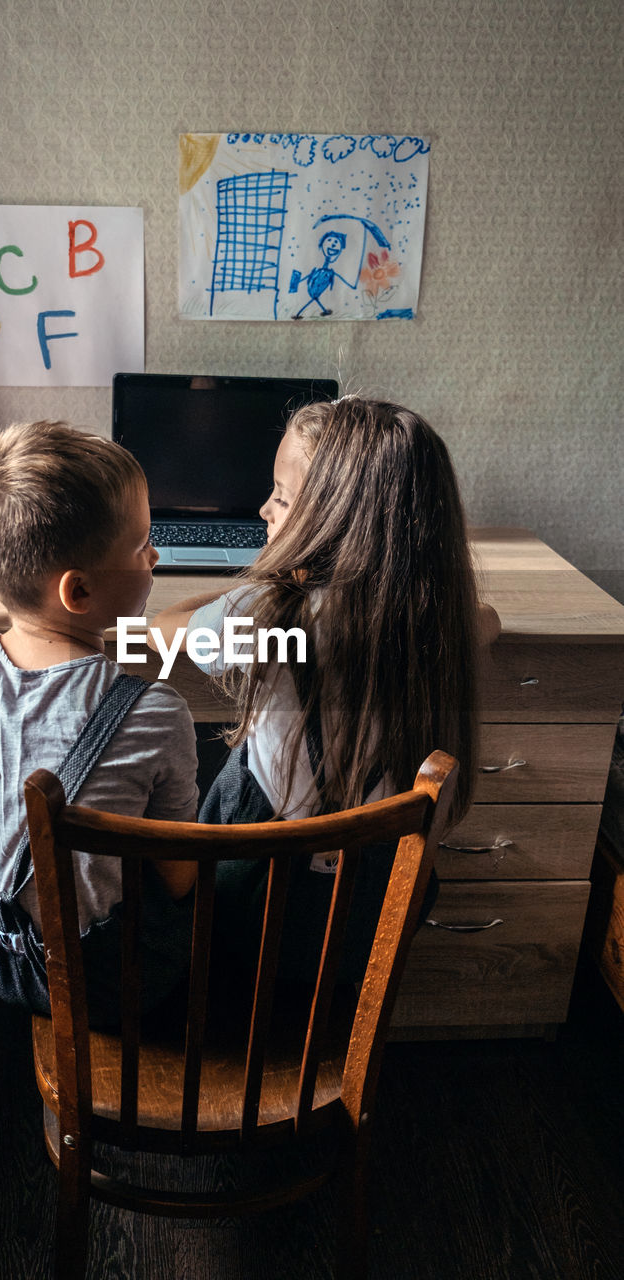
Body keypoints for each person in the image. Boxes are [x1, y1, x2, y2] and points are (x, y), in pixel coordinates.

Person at [150, 396, 500, 985]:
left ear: (334, 518)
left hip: (256, 902)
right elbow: (486, 617)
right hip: (372, 910)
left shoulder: (266, 615)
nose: (264, 508)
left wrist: (267, 574)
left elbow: (162, 632)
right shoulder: (446, 617)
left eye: (282, 498)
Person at [0, 421, 198, 1025]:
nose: (155, 554)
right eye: (141, 545)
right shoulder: (155, 713)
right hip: (108, 979)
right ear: (78, 592)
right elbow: (180, 879)